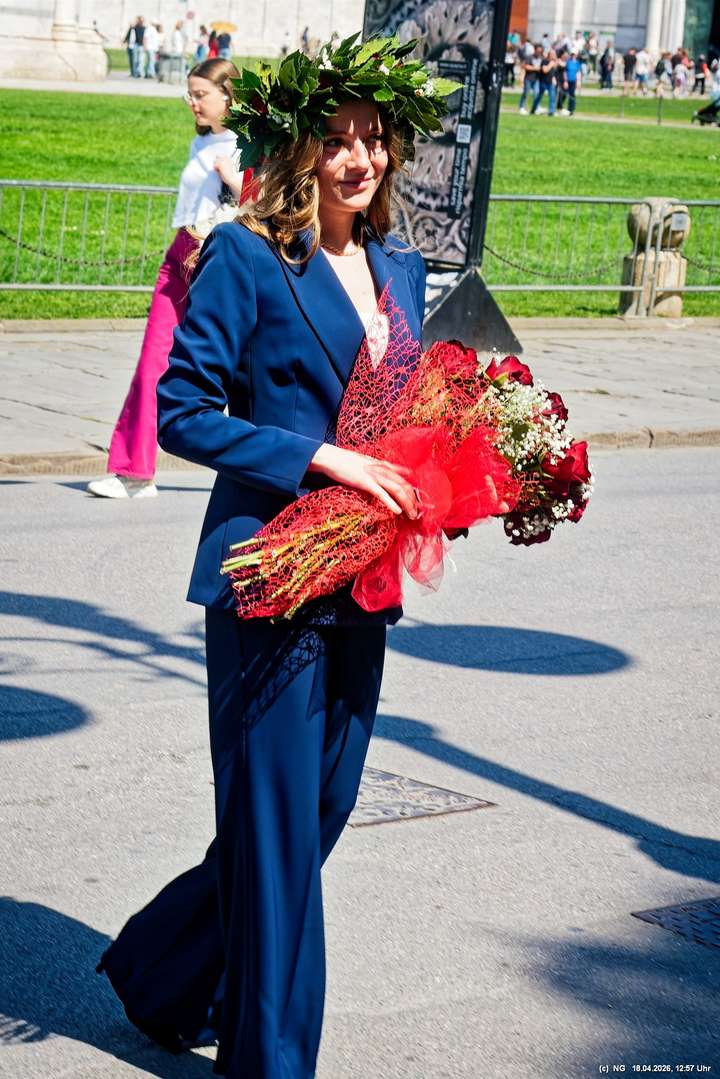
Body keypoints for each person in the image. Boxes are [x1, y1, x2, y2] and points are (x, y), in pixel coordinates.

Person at [96, 34, 450, 1079]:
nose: (358, 157)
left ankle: (163, 972)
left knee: (316, 810)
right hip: (268, 576)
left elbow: (408, 410)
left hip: (362, 577)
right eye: (336, 139)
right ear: (299, 149)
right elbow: (182, 409)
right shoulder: (249, 257)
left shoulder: (400, 267)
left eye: (373, 138)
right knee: (282, 834)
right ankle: (272, 1060)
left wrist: (465, 468)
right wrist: (320, 457)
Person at [87, 59, 249, 499]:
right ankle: (134, 472)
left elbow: (263, 202)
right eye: (189, 94)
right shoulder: (204, 140)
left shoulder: (246, 144)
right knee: (152, 361)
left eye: (201, 95)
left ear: (228, 95)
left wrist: (234, 179)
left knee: (239, 370)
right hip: (180, 252)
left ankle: (260, 467)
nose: (192, 103)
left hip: (216, 260)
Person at [518, 43, 542, 114]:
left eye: (540, 51)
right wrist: (535, 68)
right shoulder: (529, 57)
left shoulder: (541, 58)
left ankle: (536, 107)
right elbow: (525, 66)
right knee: (526, 93)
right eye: (538, 51)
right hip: (528, 78)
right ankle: (522, 107)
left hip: (536, 79)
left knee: (536, 94)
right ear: (535, 50)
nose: (539, 52)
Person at [561, 47, 582, 114]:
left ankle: (571, 109)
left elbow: (578, 72)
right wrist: (565, 81)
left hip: (573, 81)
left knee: (572, 95)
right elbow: (565, 72)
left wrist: (578, 81)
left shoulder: (577, 63)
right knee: (564, 94)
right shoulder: (568, 62)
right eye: (572, 54)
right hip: (567, 80)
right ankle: (560, 107)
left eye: (574, 54)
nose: (573, 56)